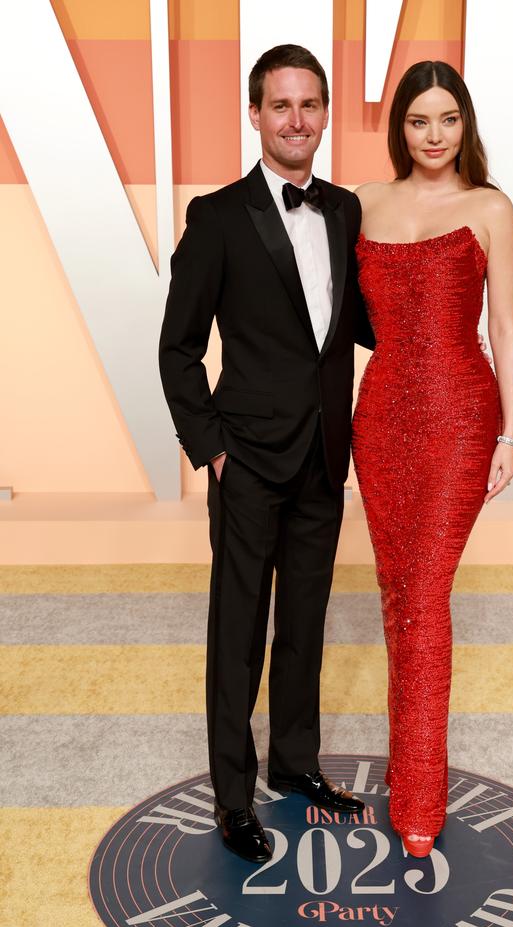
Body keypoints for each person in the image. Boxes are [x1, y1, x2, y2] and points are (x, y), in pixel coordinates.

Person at [159, 45, 375, 864]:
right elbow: (177, 348)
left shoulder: (348, 211)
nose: (296, 120)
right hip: (245, 461)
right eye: (280, 105)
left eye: (310, 104)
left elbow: (359, 324)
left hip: (324, 456)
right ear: (254, 114)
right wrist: (211, 450)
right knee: (238, 633)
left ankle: (295, 767)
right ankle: (230, 799)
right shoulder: (216, 218)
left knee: (306, 627)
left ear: (324, 115)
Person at [352, 61, 513, 858]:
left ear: (466, 124)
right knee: (395, 595)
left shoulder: (489, 208)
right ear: (401, 127)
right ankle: (408, 767)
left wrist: (510, 435)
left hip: (460, 416)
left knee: (425, 594)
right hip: (380, 416)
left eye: (447, 119)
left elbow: (508, 329)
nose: (433, 135)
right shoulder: (363, 204)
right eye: (419, 121)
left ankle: (420, 794)